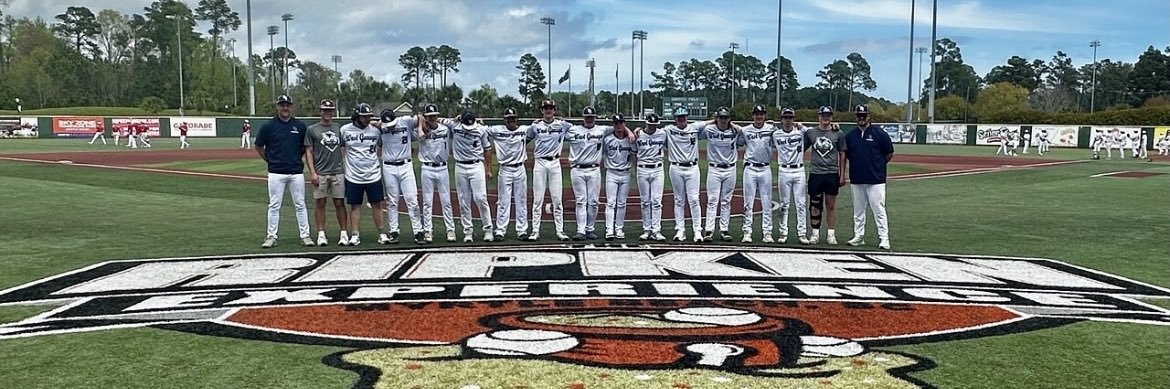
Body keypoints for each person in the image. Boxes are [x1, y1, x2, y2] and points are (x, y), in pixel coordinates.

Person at [254, 94, 314, 248]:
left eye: (287, 105)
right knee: (274, 205)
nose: (285, 108)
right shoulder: (268, 126)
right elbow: (259, 146)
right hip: (276, 172)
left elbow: (304, 148)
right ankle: (271, 236)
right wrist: (270, 159)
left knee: (300, 204)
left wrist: (294, 158)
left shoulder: (300, 126)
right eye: (282, 105)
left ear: (291, 107)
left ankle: (305, 235)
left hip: (296, 172)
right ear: (277, 107)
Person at [660, 106, 716, 242]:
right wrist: (637, 130)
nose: (682, 119)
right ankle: (680, 230)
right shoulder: (669, 130)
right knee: (678, 200)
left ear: (687, 117)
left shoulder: (694, 127)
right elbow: (652, 131)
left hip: (692, 167)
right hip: (676, 167)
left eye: (684, 116)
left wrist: (723, 120)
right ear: (675, 119)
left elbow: (711, 122)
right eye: (679, 117)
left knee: (694, 199)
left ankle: (697, 231)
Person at [842, 104, 894, 250]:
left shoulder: (879, 134)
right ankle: (859, 236)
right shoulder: (850, 136)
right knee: (858, 210)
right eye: (859, 115)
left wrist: (877, 165)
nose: (861, 118)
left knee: (878, 209)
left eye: (863, 115)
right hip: (857, 178)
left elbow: (889, 153)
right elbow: (848, 155)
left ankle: (884, 238)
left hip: (876, 180)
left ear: (869, 116)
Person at [340, 103, 392, 246]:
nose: (367, 119)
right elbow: (341, 148)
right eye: (364, 116)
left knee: (377, 204)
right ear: (357, 116)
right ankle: (355, 235)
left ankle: (382, 233)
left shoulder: (375, 131)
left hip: (373, 174)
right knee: (355, 206)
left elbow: (380, 146)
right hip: (353, 175)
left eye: (369, 116)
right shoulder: (344, 130)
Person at [379, 107, 427, 245]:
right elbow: (372, 124)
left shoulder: (405, 121)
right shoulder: (380, 126)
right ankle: (394, 231)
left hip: (406, 165)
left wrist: (419, 128)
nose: (391, 127)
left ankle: (418, 231)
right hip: (389, 166)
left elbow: (421, 117)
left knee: (412, 199)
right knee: (392, 201)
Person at [304, 99, 349, 246]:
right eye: (325, 110)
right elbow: (309, 151)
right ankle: (321, 234)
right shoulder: (312, 130)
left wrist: (343, 166)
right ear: (320, 111)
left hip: (337, 172)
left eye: (330, 110)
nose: (327, 113)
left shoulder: (338, 128)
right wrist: (312, 172)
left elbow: (342, 149)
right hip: (321, 172)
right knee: (320, 203)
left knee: (339, 202)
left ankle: (343, 233)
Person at [446, 110, 495, 242]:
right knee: (463, 200)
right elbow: (436, 120)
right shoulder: (454, 126)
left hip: (476, 165)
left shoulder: (481, 130)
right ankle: (468, 231)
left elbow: (487, 149)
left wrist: (488, 169)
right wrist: (455, 118)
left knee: (480, 197)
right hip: (460, 166)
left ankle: (488, 229)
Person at [527, 99, 572, 241]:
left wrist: (560, 119)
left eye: (551, 108)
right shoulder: (535, 126)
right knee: (537, 199)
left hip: (555, 162)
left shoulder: (561, 125)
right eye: (545, 108)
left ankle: (560, 230)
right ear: (542, 110)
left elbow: (572, 127)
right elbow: (525, 139)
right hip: (540, 163)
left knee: (557, 199)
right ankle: (535, 231)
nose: (548, 110)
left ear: (554, 110)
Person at [566, 106, 613, 240]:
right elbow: (558, 129)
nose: (589, 119)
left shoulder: (602, 129)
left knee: (593, 202)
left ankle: (590, 229)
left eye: (592, 117)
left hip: (594, 169)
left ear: (595, 118)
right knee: (581, 201)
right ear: (583, 118)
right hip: (577, 169)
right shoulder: (573, 130)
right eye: (587, 117)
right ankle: (580, 230)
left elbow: (618, 127)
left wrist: (633, 131)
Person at [485, 107, 532, 240]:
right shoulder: (497, 130)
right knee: (503, 200)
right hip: (505, 169)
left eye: (513, 118)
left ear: (516, 119)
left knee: (521, 200)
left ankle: (522, 230)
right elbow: (481, 128)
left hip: (519, 168)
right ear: (505, 119)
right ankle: (500, 230)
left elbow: (539, 127)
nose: (511, 121)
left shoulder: (524, 129)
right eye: (508, 119)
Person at [804, 106, 846, 245]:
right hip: (816, 173)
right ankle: (815, 233)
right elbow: (801, 147)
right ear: (819, 116)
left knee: (831, 205)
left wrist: (842, 174)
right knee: (815, 204)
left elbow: (842, 153)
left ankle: (831, 234)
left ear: (831, 117)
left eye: (828, 115)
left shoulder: (838, 133)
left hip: (831, 173)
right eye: (823, 115)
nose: (825, 118)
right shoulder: (811, 133)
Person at [700, 106, 742, 242]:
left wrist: (733, 124)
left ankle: (724, 229)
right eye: (721, 117)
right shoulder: (709, 130)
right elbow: (693, 130)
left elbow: (745, 133)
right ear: (717, 118)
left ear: (729, 119)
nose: (723, 120)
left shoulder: (734, 131)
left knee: (726, 201)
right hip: (714, 168)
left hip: (730, 168)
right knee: (712, 200)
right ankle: (709, 230)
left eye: (726, 117)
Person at [417, 104, 457, 243]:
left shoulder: (445, 129)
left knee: (446, 201)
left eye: (434, 116)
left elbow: (456, 123)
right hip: (427, 167)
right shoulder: (421, 130)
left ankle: (450, 230)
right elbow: (415, 121)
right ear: (426, 117)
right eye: (430, 116)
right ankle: (428, 231)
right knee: (427, 202)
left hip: (442, 167)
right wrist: (421, 124)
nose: (432, 118)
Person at [738, 105, 776, 243]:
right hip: (750, 168)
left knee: (766, 201)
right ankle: (747, 231)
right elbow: (738, 142)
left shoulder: (771, 129)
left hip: (765, 168)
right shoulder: (746, 130)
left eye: (761, 114)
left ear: (764, 115)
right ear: (752, 115)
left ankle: (767, 232)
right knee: (748, 201)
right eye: (756, 114)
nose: (759, 116)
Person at [774, 108, 809, 245]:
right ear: (781, 119)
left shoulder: (800, 132)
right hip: (784, 170)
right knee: (784, 204)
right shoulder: (776, 134)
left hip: (799, 170)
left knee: (801, 204)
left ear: (794, 119)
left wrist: (802, 126)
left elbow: (812, 133)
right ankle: (783, 233)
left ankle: (802, 233)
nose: (788, 120)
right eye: (785, 117)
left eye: (790, 117)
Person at [634, 114, 667, 242]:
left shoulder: (662, 134)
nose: (652, 127)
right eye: (650, 124)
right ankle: (647, 229)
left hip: (657, 168)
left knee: (656, 201)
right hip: (642, 168)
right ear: (646, 123)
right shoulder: (638, 135)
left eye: (654, 125)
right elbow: (633, 151)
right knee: (645, 201)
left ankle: (656, 230)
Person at [602, 114, 636, 240]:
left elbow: (633, 156)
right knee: (610, 203)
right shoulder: (607, 139)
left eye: (621, 123)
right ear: (613, 125)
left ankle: (619, 228)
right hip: (611, 173)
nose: (619, 126)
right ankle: (609, 229)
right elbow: (601, 154)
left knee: (622, 203)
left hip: (625, 173)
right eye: (616, 123)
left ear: (624, 123)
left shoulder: (630, 140)